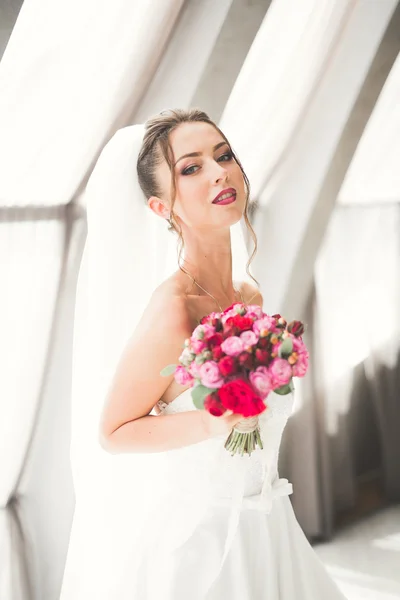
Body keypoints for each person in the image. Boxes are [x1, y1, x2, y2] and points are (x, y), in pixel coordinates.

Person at [60, 109, 346, 599]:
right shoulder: (173, 311)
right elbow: (112, 432)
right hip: (203, 552)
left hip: (270, 529)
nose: (219, 172)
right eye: (190, 168)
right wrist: (213, 423)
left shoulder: (248, 300)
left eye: (224, 155)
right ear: (160, 208)